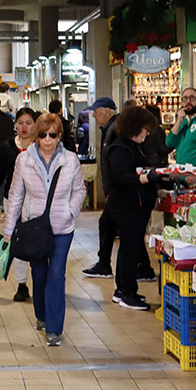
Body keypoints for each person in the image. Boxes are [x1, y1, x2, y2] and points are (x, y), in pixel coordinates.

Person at [2, 113, 86, 346]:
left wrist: (71, 210)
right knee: (38, 274)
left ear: (60, 136)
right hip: (34, 226)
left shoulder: (70, 160)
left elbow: (80, 190)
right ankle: (41, 314)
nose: (47, 139)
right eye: (43, 135)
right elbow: (16, 195)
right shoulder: (24, 160)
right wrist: (9, 229)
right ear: (36, 137)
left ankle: (54, 328)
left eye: (52, 135)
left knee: (56, 274)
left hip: (62, 227)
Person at [103, 107, 168, 309]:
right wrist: (147, 177)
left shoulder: (132, 146)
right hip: (127, 206)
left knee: (128, 248)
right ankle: (127, 293)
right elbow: (122, 177)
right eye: (145, 130)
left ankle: (123, 289)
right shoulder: (121, 148)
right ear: (135, 128)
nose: (147, 134)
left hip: (135, 205)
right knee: (130, 249)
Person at [0, 107, 39, 301]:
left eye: (28, 123)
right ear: (15, 125)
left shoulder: (42, 145)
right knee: (16, 240)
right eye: (20, 123)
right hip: (13, 199)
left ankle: (40, 281)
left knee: (36, 240)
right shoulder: (7, 147)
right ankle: (21, 284)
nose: (24, 127)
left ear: (35, 125)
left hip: (38, 201)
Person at [82, 96, 119, 279]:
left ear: (106, 111)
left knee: (109, 226)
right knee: (108, 225)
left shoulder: (115, 129)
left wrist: (111, 190)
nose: (95, 116)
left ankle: (105, 265)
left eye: (96, 112)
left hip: (117, 190)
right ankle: (104, 264)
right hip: (113, 190)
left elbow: (115, 163)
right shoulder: (109, 128)